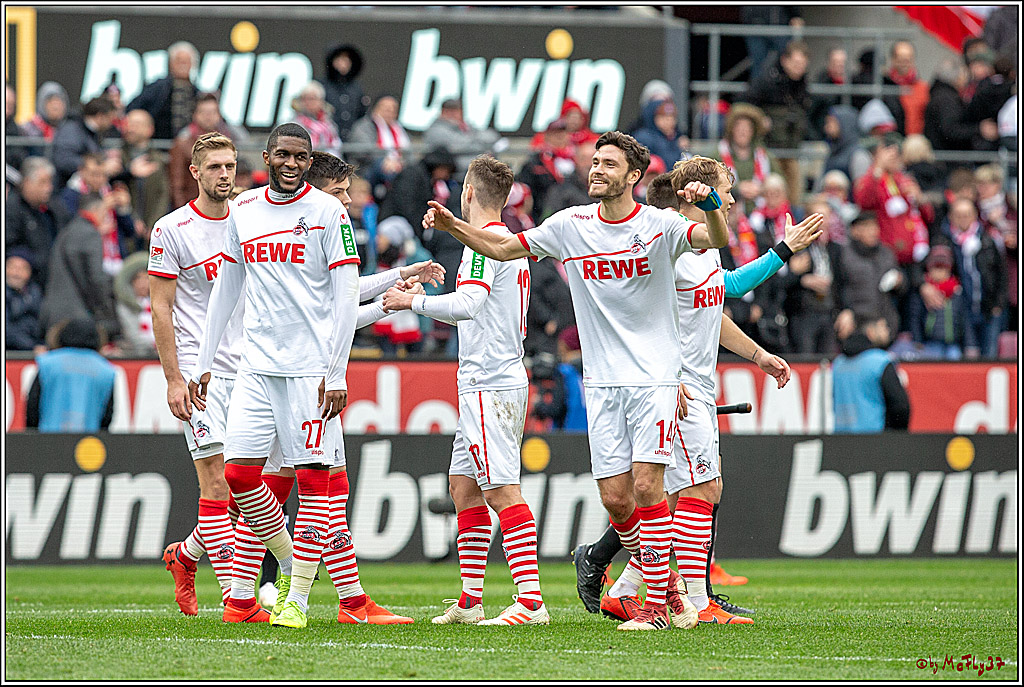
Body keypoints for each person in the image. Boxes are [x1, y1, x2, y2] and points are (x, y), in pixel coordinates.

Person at [422, 131, 730, 631]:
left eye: (609, 164)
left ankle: (654, 607)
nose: (597, 170)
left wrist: (712, 205)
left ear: (634, 176)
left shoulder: (660, 225)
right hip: (602, 384)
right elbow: (503, 247)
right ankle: (671, 588)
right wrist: (454, 224)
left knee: (647, 484)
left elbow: (716, 239)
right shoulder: (571, 224)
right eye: (595, 162)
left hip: (654, 379)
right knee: (616, 498)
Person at [574, 162, 822, 626]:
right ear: (700, 192)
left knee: (685, 492)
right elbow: (641, 317)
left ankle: (626, 589)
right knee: (697, 489)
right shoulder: (667, 245)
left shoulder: (703, 248)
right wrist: (668, 375)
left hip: (695, 384)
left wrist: (757, 354)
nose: (731, 200)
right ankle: (693, 599)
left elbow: (718, 297)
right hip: (676, 386)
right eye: (726, 190)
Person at [187, 123, 360, 630]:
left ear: (309, 160)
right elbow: (228, 284)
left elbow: (347, 292)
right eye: (282, 154)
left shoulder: (329, 212)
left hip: (309, 371)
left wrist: (336, 371)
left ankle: (297, 600)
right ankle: (287, 560)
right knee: (239, 476)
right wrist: (203, 361)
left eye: (300, 156)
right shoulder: (244, 208)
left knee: (314, 483)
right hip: (255, 368)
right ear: (266, 157)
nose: (291, 163)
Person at [382, 155, 549, 626]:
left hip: (489, 382)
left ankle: (531, 602)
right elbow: (482, 309)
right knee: (464, 487)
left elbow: (469, 305)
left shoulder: (482, 244)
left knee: (501, 489)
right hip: (490, 378)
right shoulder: (507, 242)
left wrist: (410, 302)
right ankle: (471, 602)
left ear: (469, 193)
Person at [147, 132, 271, 622]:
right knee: (217, 484)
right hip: (201, 375)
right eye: (215, 167)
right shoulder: (172, 229)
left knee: (246, 490)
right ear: (195, 172)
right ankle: (238, 602)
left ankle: (186, 555)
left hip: (254, 370)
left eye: (230, 166)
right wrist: (173, 379)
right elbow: (161, 308)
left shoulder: (253, 218)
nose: (225, 175)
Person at [39, 193, 121, 340]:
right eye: (105, 212)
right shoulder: (90, 234)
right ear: (96, 210)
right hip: (75, 318)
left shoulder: (68, 230)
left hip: (54, 312)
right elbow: (96, 278)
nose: (105, 217)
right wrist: (108, 313)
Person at [937, 198, 1008, 358]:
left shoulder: (987, 239)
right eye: (959, 215)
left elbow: (1001, 274)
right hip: (963, 309)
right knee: (969, 356)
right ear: (951, 217)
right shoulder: (945, 241)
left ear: (974, 215)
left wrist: (999, 303)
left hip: (988, 307)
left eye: (967, 214)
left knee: (989, 354)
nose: (963, 219)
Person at [744, 40, 811, 206]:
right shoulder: (767, 80)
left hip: (791, 148)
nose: (799, 68)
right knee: (772, 191)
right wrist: (760, 119)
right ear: (785, 60)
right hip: (768, 149)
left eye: (802, 64)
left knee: (795, 195)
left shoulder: (802, 84)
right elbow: (745, 104)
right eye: (796, 63)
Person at [25, 317, 116, 432]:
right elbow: (107, 414)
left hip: (48, 438)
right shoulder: (106, 371)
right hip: (88, 440)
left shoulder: (48, 364)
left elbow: (33, 406)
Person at [832, 314, 910, 432]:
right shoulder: (881, 361)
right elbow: (900, 406)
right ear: (870, 331)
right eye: (882, 326)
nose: (887, 331)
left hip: (841, 436)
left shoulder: (838, 363)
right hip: (874, 436)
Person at [168, 93, 248, 209]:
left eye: (213, 112)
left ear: (219, 115)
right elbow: (176, 185)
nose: (208, 117)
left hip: (224, 206)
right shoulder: (182, 143)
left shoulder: (228, 140)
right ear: (195, 115)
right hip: (194, 206)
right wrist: (184, 211)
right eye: (204, 112)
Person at [833, 212, 902, 340]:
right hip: (855, 321)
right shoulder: (843, 254)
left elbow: (901, 287)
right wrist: (844, 310)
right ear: (855, 231)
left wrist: (899, 281)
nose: (873, 231)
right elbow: (836, 287)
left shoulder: (886, 253)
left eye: (875, 227)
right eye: (867, 227)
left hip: (883, 321)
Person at [5, 157, 71, 286]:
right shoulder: (11, 209)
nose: (49, 188)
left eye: (50, 182)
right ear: (27, 182)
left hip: (56, 279)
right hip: (29, 281)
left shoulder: (55, 208)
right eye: (42, 182)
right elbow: (10, 246)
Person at [126, 41, 199, 141]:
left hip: (187, 144)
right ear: (170, 63)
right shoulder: (158, 88)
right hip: (157, 142)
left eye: (186, 61)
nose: (182, 65)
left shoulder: (197, 93)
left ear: (193, 64)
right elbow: (134, 107)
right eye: (179, 61)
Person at [924, 59, 998, 152]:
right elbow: (951, 130)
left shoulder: (941, 94)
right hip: (948, 154)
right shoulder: (947, 100)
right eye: (964, 75)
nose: (966, 79)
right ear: (956, 77)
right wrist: (979, 129)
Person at [907, 245, 967, 359]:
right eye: (936, 268)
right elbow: (915, 317)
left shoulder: (957, 292)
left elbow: (964, 319)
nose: (939, 272)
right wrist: (917, 340)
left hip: (953, 342)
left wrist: (968, 344)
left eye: (943, 268)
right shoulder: (922, 292)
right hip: (931, 342)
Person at [116, 109, 170, 234]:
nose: (131, 128)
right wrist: (132, 219)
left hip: (150, 228)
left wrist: (154, 223)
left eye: (136, 124)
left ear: (149, 129)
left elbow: (163, 194)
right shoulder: (117, 157)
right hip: (123, 227)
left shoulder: (158, 159)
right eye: (128, 123)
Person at [51, 96, 121, 187]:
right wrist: (101, 167)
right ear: (100, 116)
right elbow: (64, 160)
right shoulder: (72, 130)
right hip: (68, 188)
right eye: (110, 118)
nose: (111, 123)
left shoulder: (88, 131)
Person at [423, 98, 503, 176]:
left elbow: (493, 136)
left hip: (473, 169)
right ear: (443, 111)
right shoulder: (436, 130)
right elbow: (462, 145)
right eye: (450, 111)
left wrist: (475, 140)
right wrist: (483, 146)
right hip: (454, 171)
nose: (454, 115)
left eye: (457, 111)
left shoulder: (464, 126)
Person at [717, 103, 773, 215]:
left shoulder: (764, 155)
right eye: (739, 127)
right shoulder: (718, 154)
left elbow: (778, 182)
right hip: (729, 213)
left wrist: (761, 189)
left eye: (747, 128)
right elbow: (711, 186)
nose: (742, 132)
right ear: (732, 130)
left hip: (762, 213)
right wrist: (737, 190)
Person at [516, 118, 574, 225]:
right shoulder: (534, 163)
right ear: (547, 136)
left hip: (571, 216)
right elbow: (525, 190)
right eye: (555, 134)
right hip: (541, 217)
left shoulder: (577, 160)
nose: (560, 137)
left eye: (563, 133)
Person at [319, 44, 370, 140]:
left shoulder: (356, 88)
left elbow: (362, 114)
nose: (344, 63)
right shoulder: (321, 86)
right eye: (340, 59)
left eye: (347, 59)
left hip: (351, 141)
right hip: (327, 139)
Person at [115, 252, 156, 357]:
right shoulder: (125, 306)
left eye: (147, 278)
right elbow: (133, 335)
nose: (144, 283)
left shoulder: (156, 303)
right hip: (135, 355)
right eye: (139, 278)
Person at [886, 41, 930, 136]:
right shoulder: (884, 86)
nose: (904, 63)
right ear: (893, 59)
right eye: (900, 59)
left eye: (908, 59)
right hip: (891, 140)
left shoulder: (924, 89)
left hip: (915, 140)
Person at [288, 81, 342, 157]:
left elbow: (336, 145)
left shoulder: (329, 124)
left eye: (312, 99)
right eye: (305, 99)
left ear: (321, 101)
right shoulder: (293, 124)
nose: (308, 102)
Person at [633, 98, 689, 169]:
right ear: (654, 118)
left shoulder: (675, 139)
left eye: (672, 118)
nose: (669, 122)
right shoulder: (644, 138)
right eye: (664, 118)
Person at [6, 249, 44, 351]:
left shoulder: (35, 293)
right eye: (12, 267)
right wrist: (32, 346)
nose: (16, 273)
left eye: (22, 268)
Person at [20, 81, 69, 145]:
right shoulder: (27, 130)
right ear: (41, 104)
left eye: (59, 101)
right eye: (50, 101)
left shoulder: (72, 129)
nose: (55, 106)